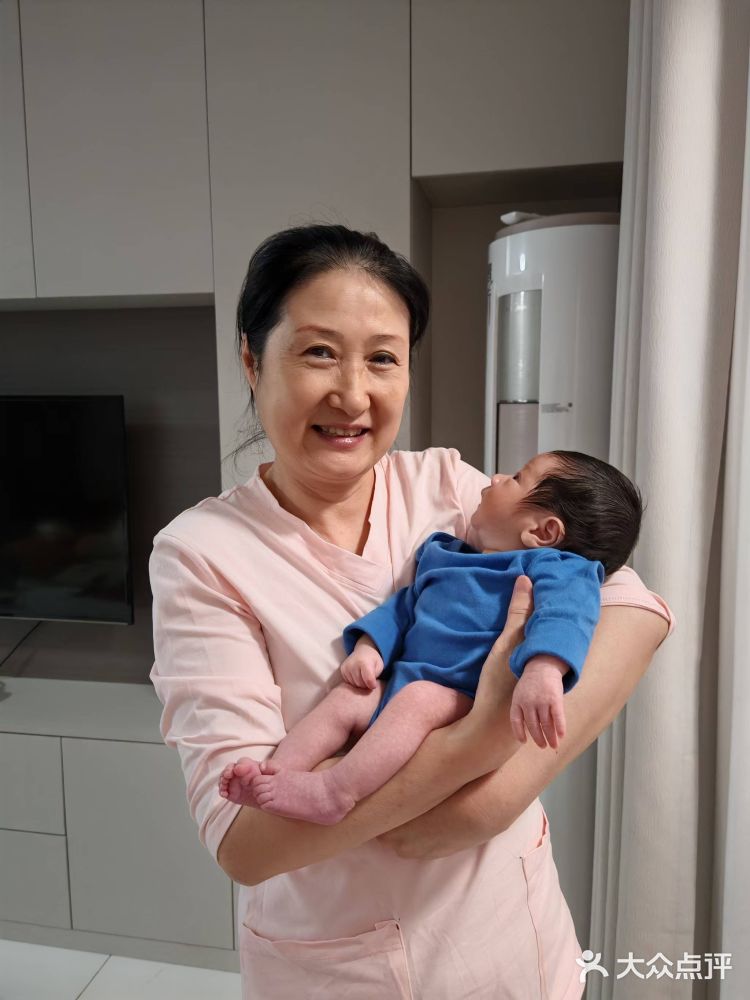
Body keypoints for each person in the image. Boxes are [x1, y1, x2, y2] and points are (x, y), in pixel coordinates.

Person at [148, 224, 674, 1000]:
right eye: (319, 351)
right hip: (346, 969)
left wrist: (500, 794)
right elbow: (247, 845)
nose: (353, 394)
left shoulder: (445, 486)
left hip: (518, 946)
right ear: (253, 361)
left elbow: (636, 606)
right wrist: (474, 745)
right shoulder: (202, 553)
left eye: (383, 358)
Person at [218, 449, 642, 827]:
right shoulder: (445, 555)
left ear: (543, 532)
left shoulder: (557, 568)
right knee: (348, 697)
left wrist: (543, 669)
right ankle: (276, 774)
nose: (495, 478)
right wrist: (370, 647)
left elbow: (568, 614)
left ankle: (335, 793)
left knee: (419, 699)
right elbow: (404, 608)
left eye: (516, 478)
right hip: (400, 685)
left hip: (462, 699)